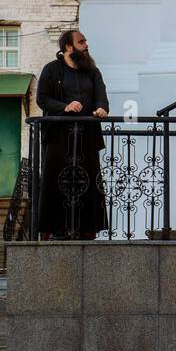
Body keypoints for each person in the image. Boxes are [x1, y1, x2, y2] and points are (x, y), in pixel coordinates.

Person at [36, 29, 110, 240]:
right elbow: (42, 99)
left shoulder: (93, 72)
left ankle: (87, 229)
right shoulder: (51, 70)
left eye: (85, 41)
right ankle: (57, 230)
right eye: (81, 42)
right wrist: (65, 106)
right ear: (68, 47)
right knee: (57, 181)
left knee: (89, 182)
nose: (86, 45)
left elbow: (101, 97)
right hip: (59, 137)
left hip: (87, 136)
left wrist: (102, 109)